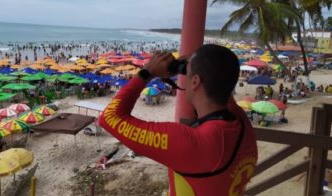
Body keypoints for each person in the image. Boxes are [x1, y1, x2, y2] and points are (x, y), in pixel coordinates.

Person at [99, 44, 258, 196]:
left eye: (186, 73)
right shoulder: (243, 124)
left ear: (195, 81)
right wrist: (196, 64)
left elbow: (109, 117)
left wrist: (147, 72)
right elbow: (221, 82)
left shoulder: (192, 143)